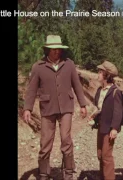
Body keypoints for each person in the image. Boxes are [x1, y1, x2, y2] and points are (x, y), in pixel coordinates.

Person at [22, 35, 88, 180]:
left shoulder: (69, 64)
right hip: (47, 108)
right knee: (45, 142)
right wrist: (27, 108)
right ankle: (44, 174)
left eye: (58, 48)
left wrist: (83, 104)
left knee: (66, 140)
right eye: (53, 49)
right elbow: (32, 90)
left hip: (66, 107)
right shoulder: (38, 67)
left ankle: (68, 174)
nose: (56, 51)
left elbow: (77, 85)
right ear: (47, 50)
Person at [89, 60, 123, 180]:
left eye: (100, 72)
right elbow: (99, 107)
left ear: (107, 75)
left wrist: (114, 128)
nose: (98, 74)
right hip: (101, 127)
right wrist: (94, 116)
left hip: (109, 128)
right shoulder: (99, 90)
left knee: (106, 156)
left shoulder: (115, 91)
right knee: (100, 154)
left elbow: (118, 112)